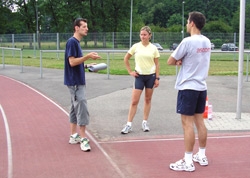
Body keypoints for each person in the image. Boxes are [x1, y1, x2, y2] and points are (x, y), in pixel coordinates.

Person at [167, 11, 211, 171]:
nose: (186, 24)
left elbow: (170, 60)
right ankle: (202, 154)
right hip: (201, 86)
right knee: (200, 121)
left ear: (192, 23)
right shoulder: (207, 41)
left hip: (188, 86)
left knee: (187, 124)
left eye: (187, 21)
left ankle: (188, 161)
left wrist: (181, 60)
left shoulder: (187, 41)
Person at [64, 18, 101, 152]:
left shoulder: (76, 43)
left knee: (74, 108)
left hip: (75, 80)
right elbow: (72, 62)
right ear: (76, 28)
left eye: (87, 26)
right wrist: (88, 56)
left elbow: (75, 63)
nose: (87, 29)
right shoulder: (72, 42)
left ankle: (74, 135)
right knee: (82, 107)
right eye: (84, 26)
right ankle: (83, 138)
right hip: (75, 82)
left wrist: (86, 65)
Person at [121, 26, 160, 134]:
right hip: (139, 76)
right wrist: (130, 71)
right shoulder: (136, 46)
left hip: (150, 77)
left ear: (149, 36)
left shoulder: (153, 48)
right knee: (134, 101)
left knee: (147, 100)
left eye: (145, 35)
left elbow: (157, 64)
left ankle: (145, 122)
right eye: (141, 34)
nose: (142, 37)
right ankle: (128, 124)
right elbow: (126, 58)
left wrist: (157, 78)